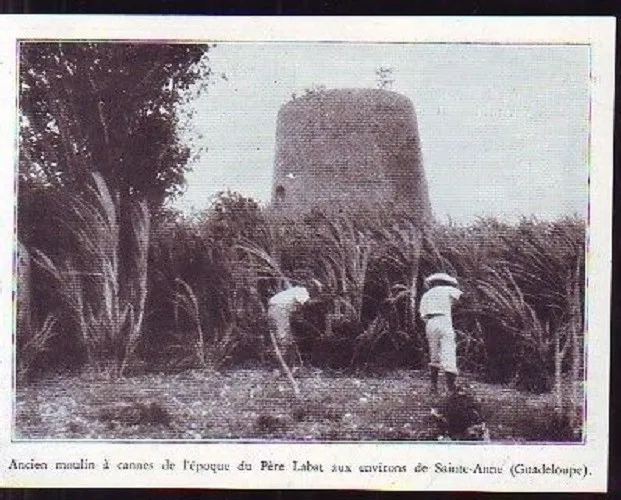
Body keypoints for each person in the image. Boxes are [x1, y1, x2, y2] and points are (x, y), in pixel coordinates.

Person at [418, 272, 463, 394]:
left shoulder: (426, 295)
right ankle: (451, 387)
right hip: (444, 321)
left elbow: (422, 316)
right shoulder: (448, 290)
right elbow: (462, 299)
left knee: (434, 354)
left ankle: (433, 387)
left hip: (431, 323)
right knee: (449, 351)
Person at [267, 279, 322, 366]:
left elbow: (295, 309)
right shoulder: (302, 291)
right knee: (283, 339)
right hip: (279, 310)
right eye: (316, 290)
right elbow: (308, 303)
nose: (315, 293)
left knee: (281, 338)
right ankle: (281, 366)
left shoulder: (294, 291)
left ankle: (285, 365)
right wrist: (322, 301)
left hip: (274, 309)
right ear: (311, 287)